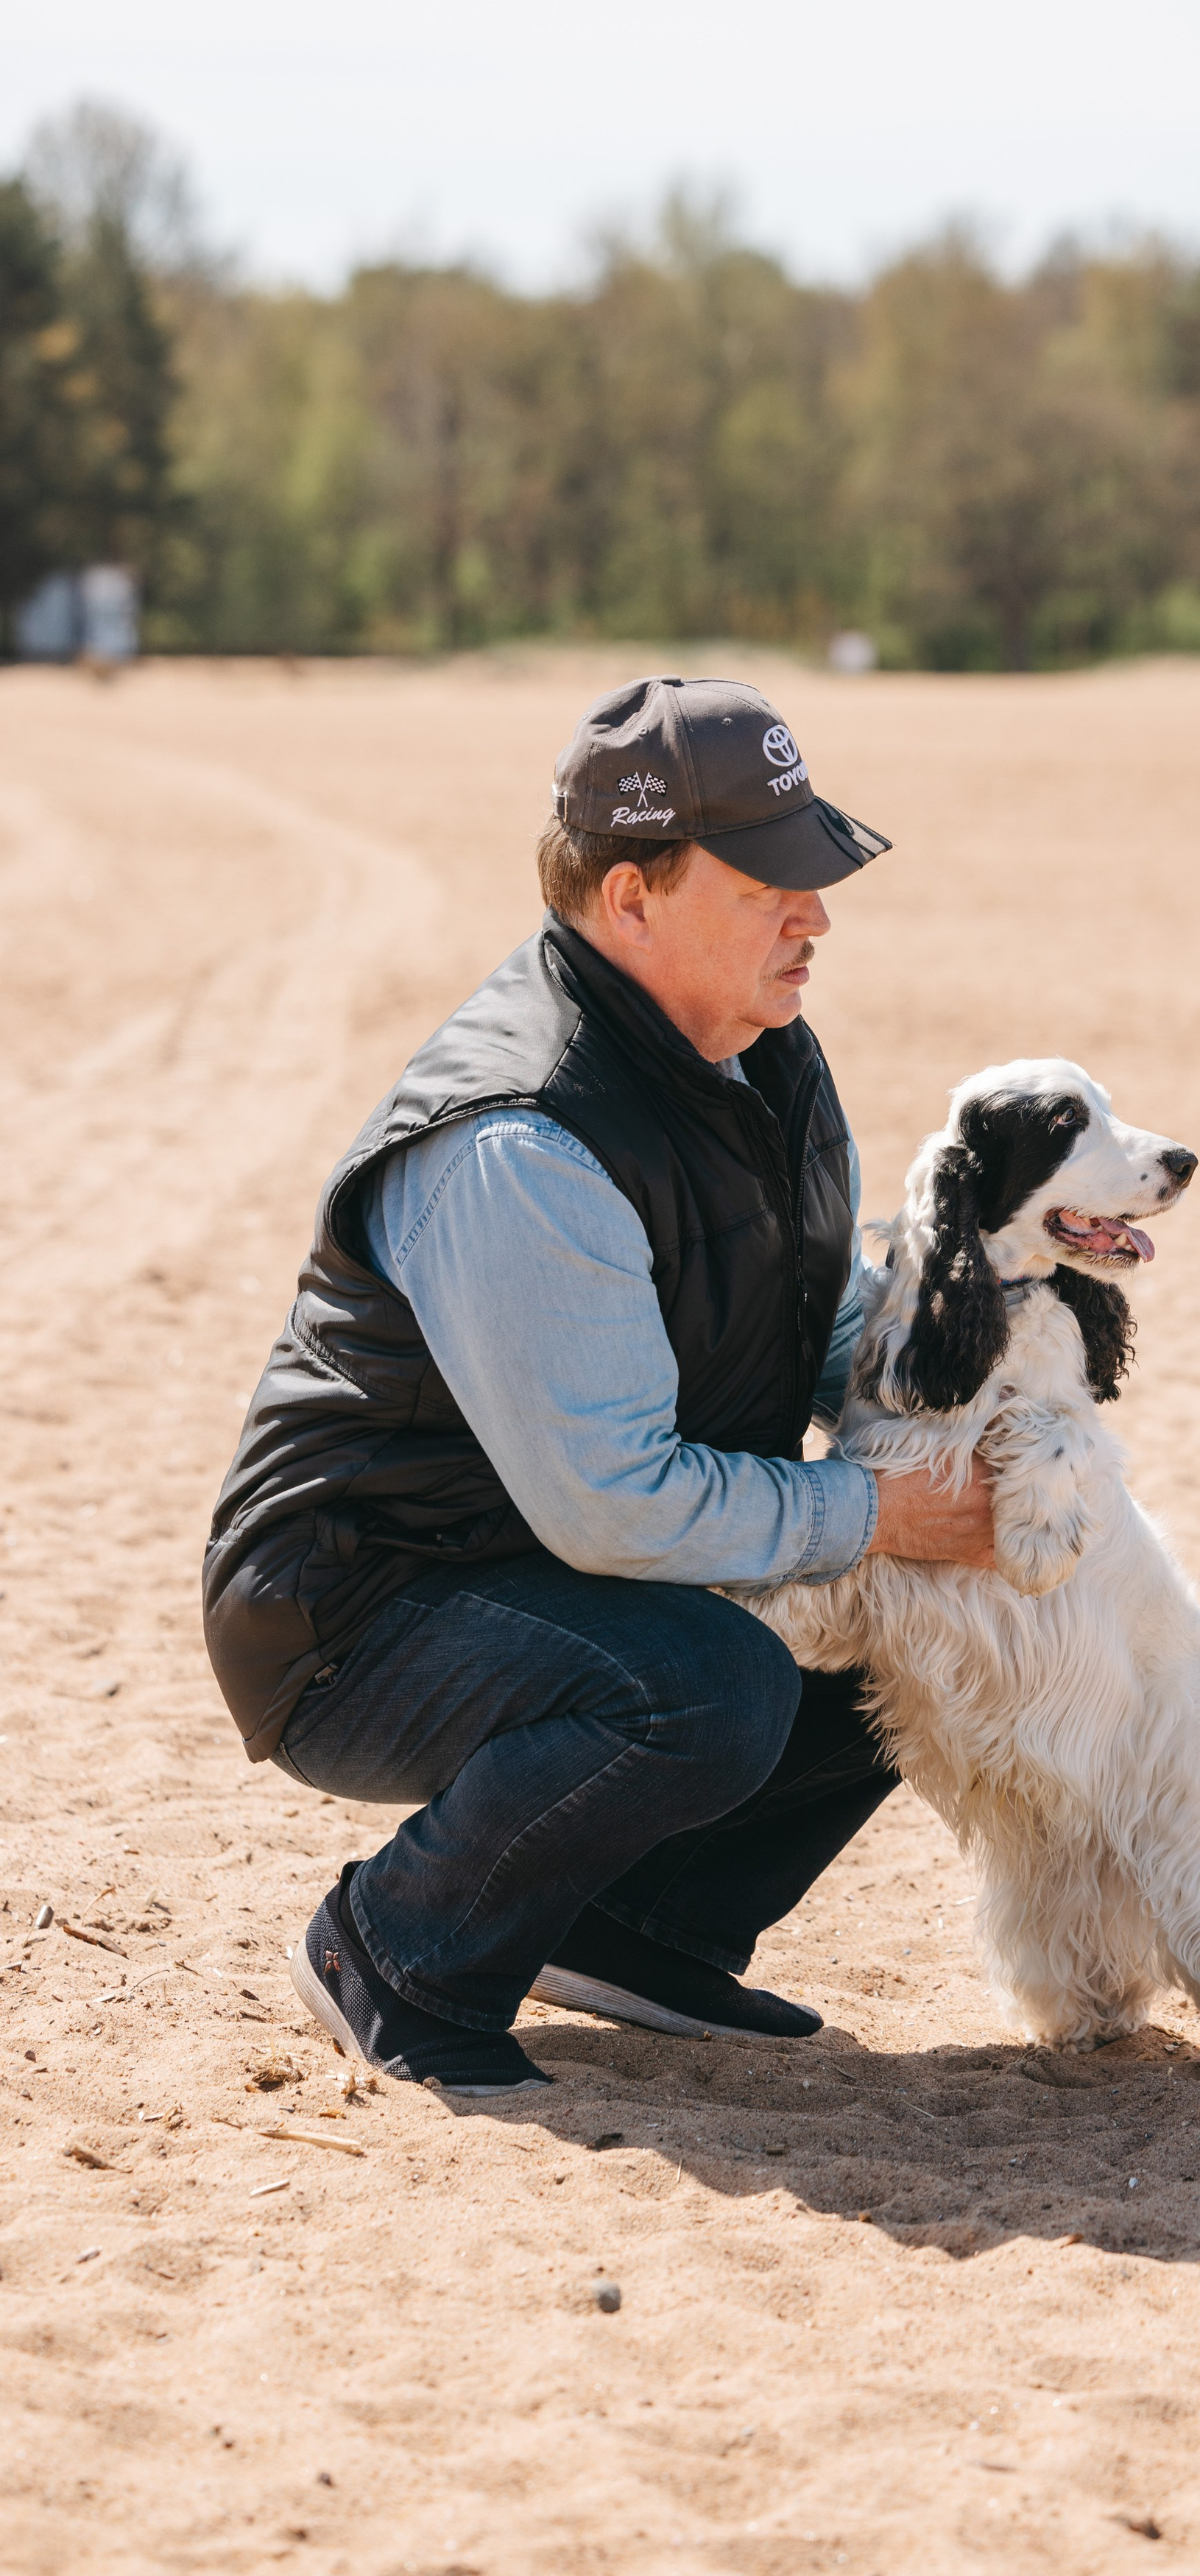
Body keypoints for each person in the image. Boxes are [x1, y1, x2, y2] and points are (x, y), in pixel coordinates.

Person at [202, 676, 995, 2094]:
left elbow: (823, 1321)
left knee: (928, 1625)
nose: (817, 915)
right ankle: (395, 1943)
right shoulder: (523, 1140)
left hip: (548, 1555)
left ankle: (632, 1924)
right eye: (772, 883)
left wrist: (995, 1422)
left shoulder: (759, 1047)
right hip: (361, 1605)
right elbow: (616, 1509)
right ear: (631, 900)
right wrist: (879, 1513)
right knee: (708, 1690)